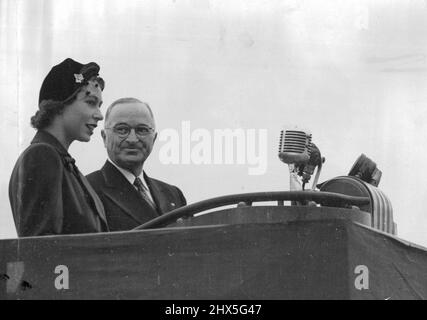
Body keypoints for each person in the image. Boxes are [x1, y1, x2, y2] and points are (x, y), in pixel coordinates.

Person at [9, 58, 109, 237]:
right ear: (60, 105)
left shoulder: (61, 161)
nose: (100, 115)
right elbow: (42, 248)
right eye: (91, 102)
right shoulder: (42, 155)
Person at [86, 97, 186, 231]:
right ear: (104, 137)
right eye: (122, 130)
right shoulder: (86, 189)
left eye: (142, 130)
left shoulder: (173, 194)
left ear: (154, 138)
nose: (132, 139)